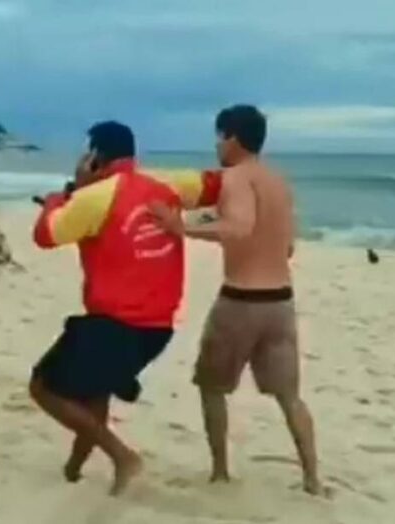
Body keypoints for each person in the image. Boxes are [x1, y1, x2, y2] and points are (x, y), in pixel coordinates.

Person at [29, 121, 221, 496]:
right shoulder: (168, 184)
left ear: (95, 156)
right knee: (94, 393)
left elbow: (45, 235)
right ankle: (73, 469)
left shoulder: (94, 197)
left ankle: (123, 457)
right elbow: (218, 185)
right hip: (158, 329)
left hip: (114, 323)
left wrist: (60, 199)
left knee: (43, 388)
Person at [148, 105, 323, 495]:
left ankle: (220, 472)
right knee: (290, 396)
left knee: (212, 386)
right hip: (281, 302)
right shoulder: (278, 182)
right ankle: (312, 478)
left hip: (241, 301)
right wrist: (200, 223)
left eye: (219, 137)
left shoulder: (235, 178)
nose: (216, 145)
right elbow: (286, 245)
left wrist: (180, 229)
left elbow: (239, 227)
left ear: (233, 138)